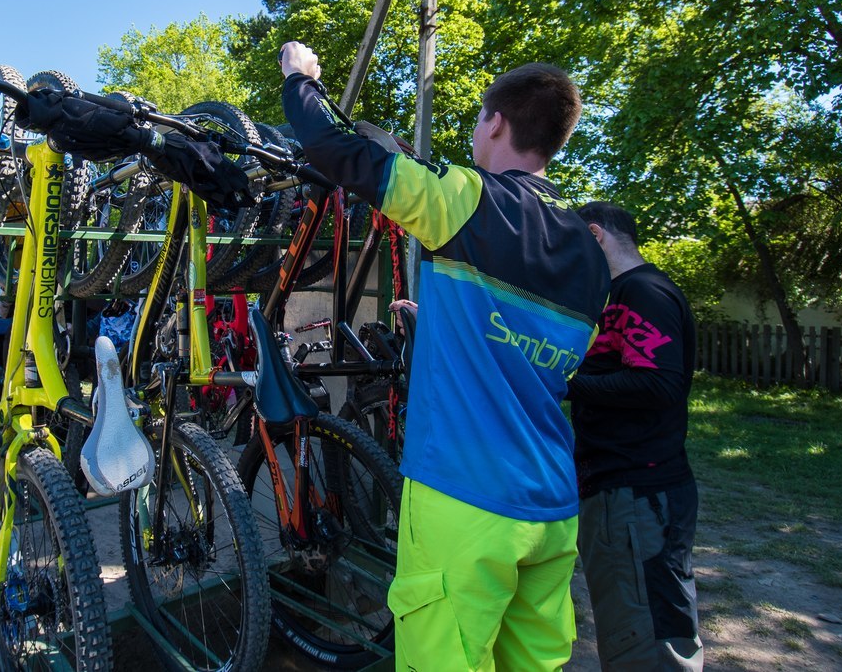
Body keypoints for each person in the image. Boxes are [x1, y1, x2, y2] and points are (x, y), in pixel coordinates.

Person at [278, 42, 610, 671]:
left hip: (464, 500)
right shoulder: (588, 254)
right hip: (550, 510)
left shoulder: (470, 199)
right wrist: (450, 324)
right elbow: (541, 359)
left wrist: (302, 81)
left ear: (496, 123)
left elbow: (340, 151)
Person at [570, 201, 703, 671]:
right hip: (621, 495)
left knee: (645, 644)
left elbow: (660, 383)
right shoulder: (616, 296)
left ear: (595, 234)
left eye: (574, 242)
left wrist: (566, 383)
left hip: (640, 500)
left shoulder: (643, 292)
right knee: (636, 632)